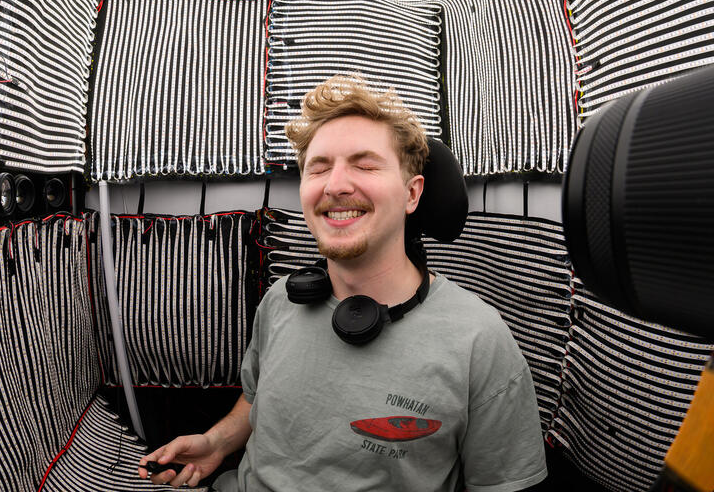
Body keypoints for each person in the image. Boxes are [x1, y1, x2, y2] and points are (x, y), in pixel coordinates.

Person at [138, 75, 547, 491]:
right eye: (318, 168)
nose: (335, 185)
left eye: (365, 165)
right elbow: (258, 397)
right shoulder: (281, 300)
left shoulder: (479, 339)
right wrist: (215, 442)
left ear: (412, 193)